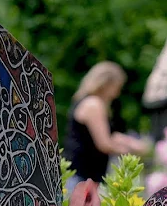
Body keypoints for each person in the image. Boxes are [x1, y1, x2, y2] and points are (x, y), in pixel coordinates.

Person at [62, 61, 150, 195]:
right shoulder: (94, 104)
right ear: (107, 84)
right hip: (80, 177)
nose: (117, 93)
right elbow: (104, 144)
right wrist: (133, 154)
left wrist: (128, 141)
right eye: (117, 87)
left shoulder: (87, 101)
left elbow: (110, 135)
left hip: (83, 177)